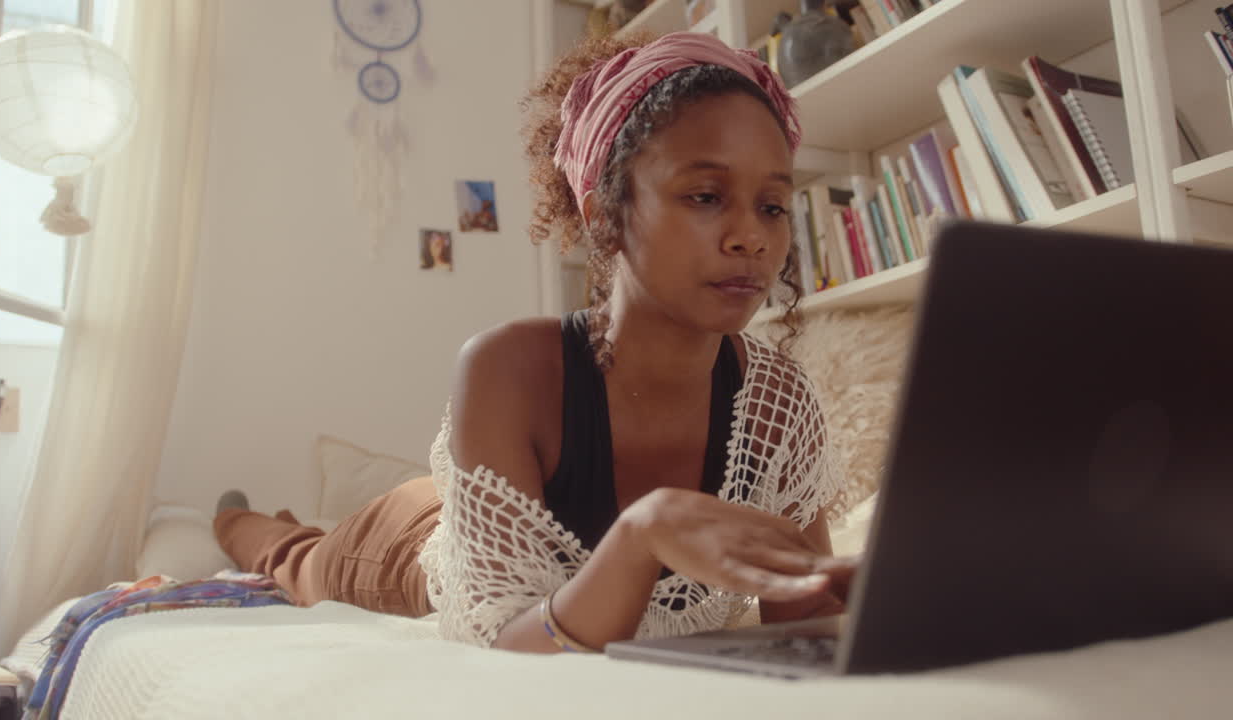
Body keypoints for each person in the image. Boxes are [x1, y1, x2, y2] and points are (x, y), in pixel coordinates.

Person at [214, 30, 863, 654]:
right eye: (705, 195)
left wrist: (864, 596)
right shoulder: (508, 370)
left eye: (773, 206)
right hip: (405, 544)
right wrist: (643, 535)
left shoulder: (780, 402)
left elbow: (804, 627)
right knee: (296, 560)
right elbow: (504, 645)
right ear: (604, 216)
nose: (751, 237)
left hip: (496, 506)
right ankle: (236, 520)